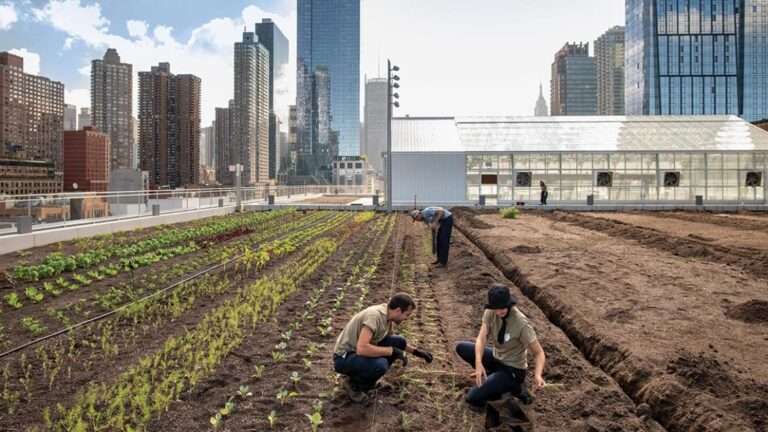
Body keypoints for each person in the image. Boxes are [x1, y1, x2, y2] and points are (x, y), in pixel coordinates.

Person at [456, 284, 546, 426]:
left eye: (503, 307)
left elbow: (539, 353)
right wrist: (479, 364)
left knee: (473, 397)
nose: (499, 312)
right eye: (496, 308)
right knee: (461, 347)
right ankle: (492, 377)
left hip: (513, 369)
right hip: (497, 357)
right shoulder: (490, 312)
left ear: (509, 303)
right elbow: (481, 338)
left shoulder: (521, 323)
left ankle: (516, 388)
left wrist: (538, 375)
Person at [333, 293, 434, 402]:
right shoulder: (374, 316)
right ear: (398, 311)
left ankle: (368, 383)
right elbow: (362, 349)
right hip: (344, 357)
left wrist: (418, 352)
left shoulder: (388, 316)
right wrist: (391, 351)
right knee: (380, 365)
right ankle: (354, 385)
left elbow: (394, 342)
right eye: (407, 315)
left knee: (398, 341)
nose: (406, 318)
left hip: (357, 354)